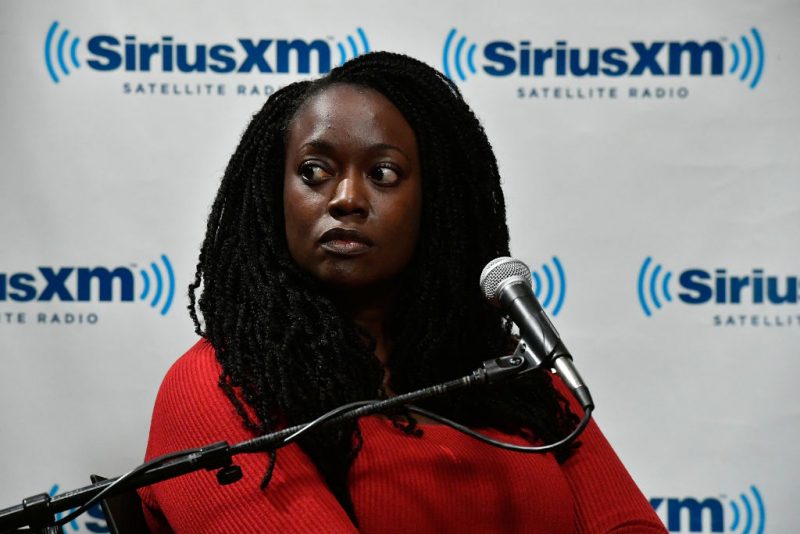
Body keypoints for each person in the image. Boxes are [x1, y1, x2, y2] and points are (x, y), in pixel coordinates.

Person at [139, 51, 666, 533]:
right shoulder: (221, 387)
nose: (346, 198)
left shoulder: (508, 374)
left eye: (383, 173)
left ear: (435, 206)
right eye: (314, 172)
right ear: (274, 196)